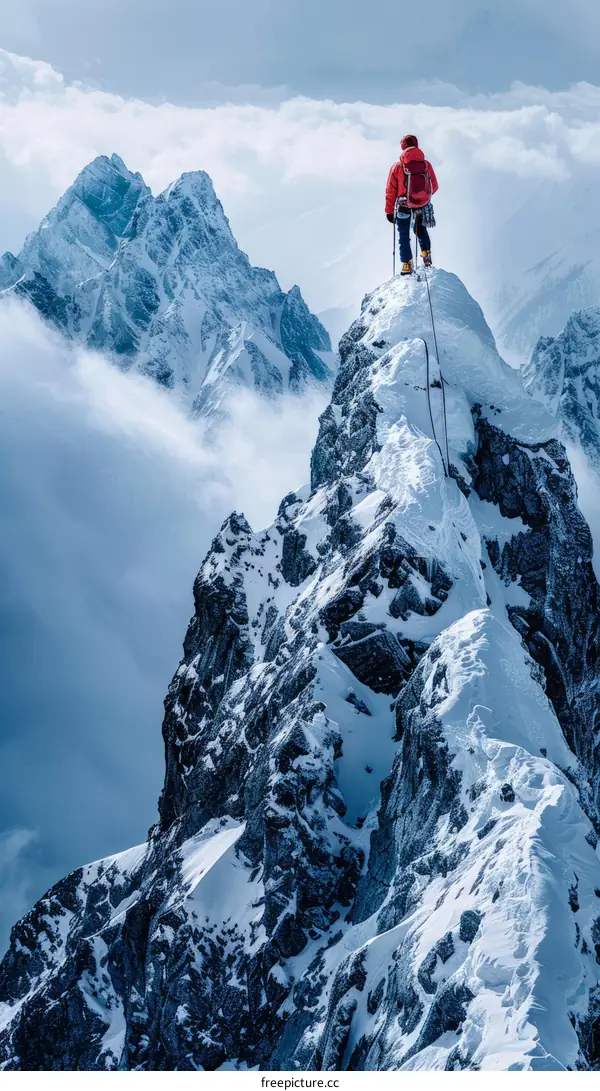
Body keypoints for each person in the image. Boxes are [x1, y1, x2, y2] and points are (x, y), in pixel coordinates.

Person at [385, 135, 438, 275]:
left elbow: (390, 191)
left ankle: (407, 264)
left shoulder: (397, 167)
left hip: (403, 206)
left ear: (403, 147)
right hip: (422, 206)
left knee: (403, 234)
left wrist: (389, 212)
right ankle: (426, 256)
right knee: (421, 230)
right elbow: (435, 186)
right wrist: (421, 196)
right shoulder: (426, 165)